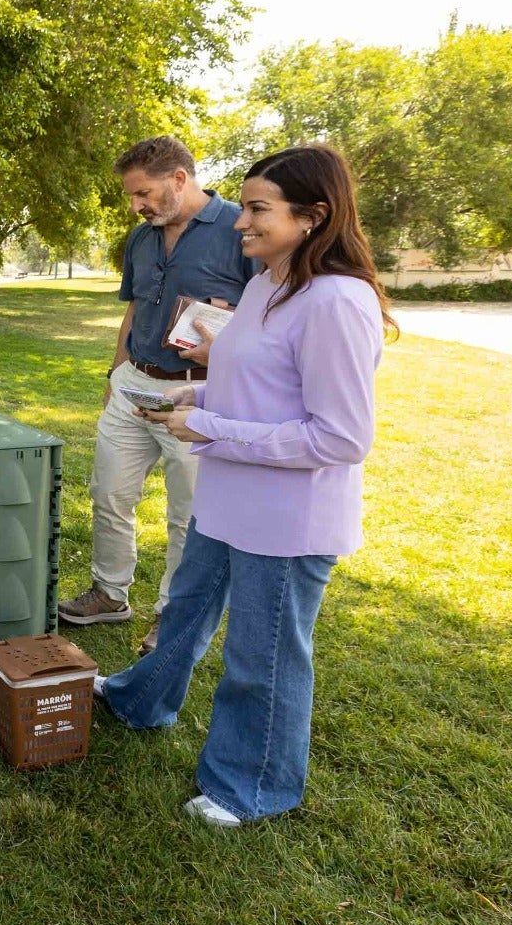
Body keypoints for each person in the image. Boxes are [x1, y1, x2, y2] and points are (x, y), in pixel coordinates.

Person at [94, 144, 395, 827]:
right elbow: (259, 385)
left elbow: (341, 438)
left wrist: (216, 431)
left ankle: (251, 785)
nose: (240, 223)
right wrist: (201, 404)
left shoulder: (338, 302)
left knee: (261, 659)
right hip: (226, 501)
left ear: (313, 217)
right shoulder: (266, 283)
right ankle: (140, 701)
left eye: (259, 209)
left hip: (286, 523)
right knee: (185, 615)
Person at [59, 136, 256, 655]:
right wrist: (114, 374)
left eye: (143, 193)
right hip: (132, 387)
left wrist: (229, 353)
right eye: (131, 196)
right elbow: (133, 312)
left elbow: (268, 316)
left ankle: (172, 617)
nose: (137, 205)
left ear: (178, 179)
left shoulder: (240, 229)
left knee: (188, 515)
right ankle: (109, 593)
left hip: (197, 396)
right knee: (109, 494)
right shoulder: (141, 239)